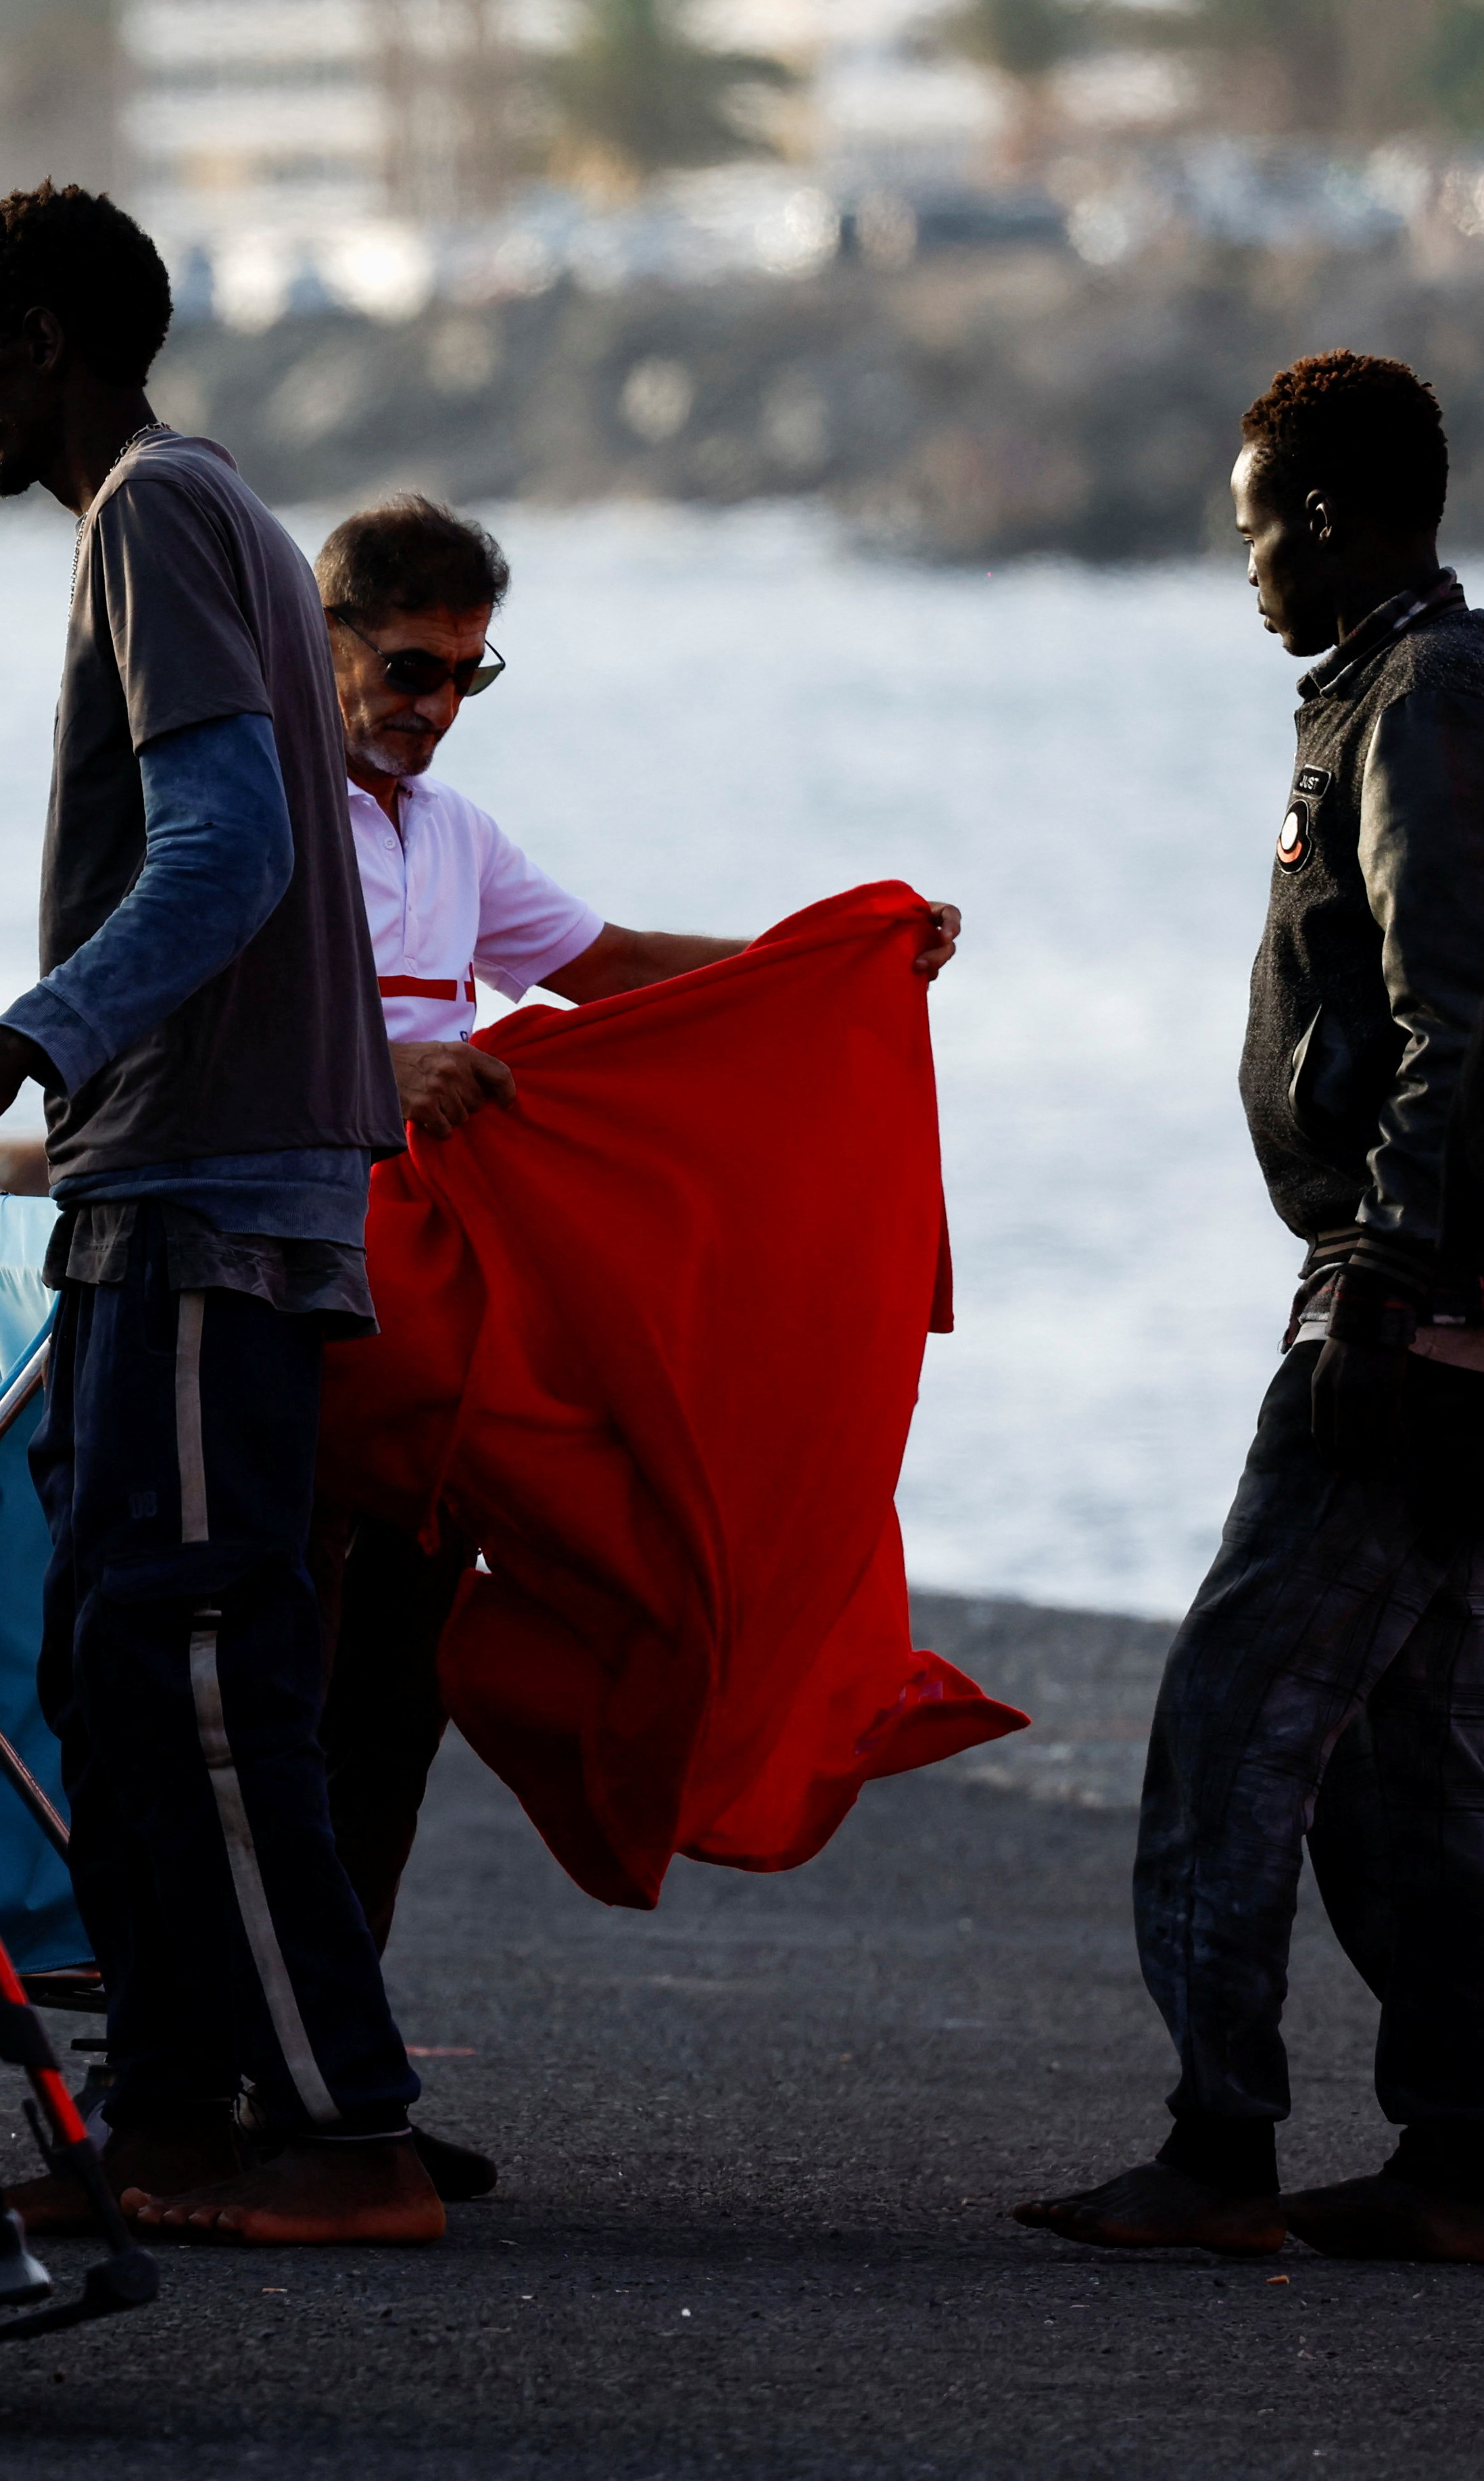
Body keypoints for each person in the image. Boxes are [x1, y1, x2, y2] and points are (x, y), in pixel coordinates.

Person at [0, 183, 437, 2246]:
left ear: (46, 341)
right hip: (153, 1182)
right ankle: (171, 2101)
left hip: (207, 1187)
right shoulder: (213, 516)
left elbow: (230, 842)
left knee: (194, 1658)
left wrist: (6, 1050)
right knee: (103, 1657)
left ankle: (346, 2122)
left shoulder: (152, 516)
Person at [308, 496, 959, 2200]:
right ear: (322, 637)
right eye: (404, 666)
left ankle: (339, 2072)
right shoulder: (253, 815)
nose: (432, 704)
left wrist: (833, 971)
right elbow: (174, 1035)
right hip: (286, 1309)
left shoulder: (450, 834)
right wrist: (377, 1084)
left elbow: (603, 971)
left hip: (433, 1309)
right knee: (276, 1693)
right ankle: (245, 2067)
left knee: (385, 1694)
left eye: (466, 674)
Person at [1020, 353, 1484, 2264]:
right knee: (1401, 1752)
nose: (1242, 576)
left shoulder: (1428, 697)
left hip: (1413, 1302)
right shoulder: (1395, 688)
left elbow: (1461, 1004)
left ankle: (1215, 2143)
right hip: (1439, 1287)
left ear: (1324, 515)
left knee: (1230, 1718)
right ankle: (1465, 2156)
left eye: (1251, 537)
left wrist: (1383, 1269)